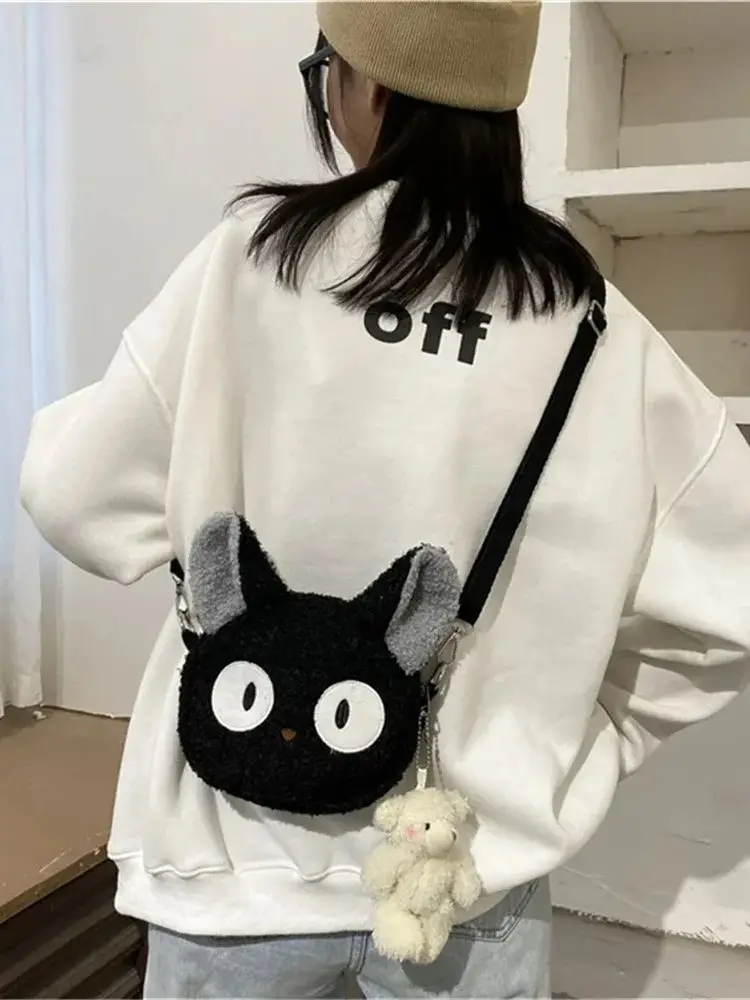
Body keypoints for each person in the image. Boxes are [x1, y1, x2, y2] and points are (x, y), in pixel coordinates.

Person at [20, 2, 750, 998]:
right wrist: (569, 735)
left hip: (236, 867)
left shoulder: (255, 259)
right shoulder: (590, 323)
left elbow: (68, 492)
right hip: (466, 875)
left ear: (363, 80)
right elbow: (730, 594)